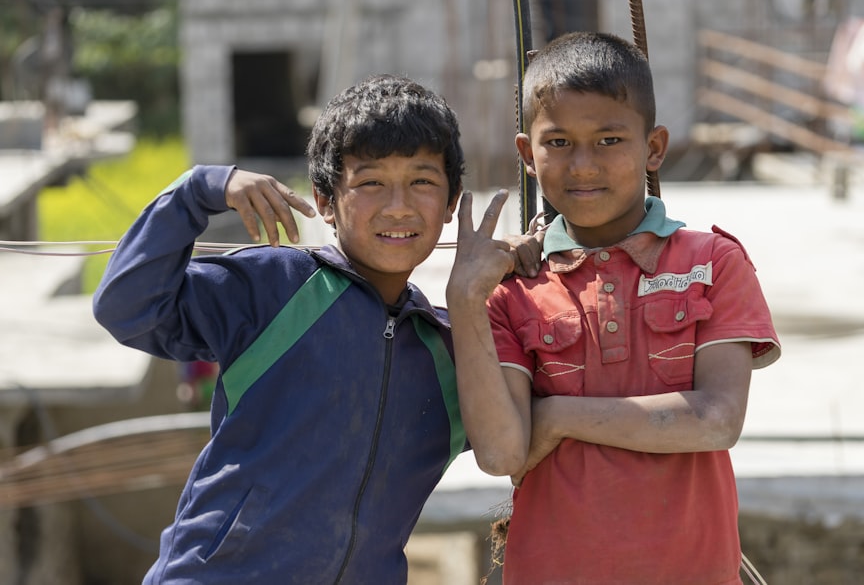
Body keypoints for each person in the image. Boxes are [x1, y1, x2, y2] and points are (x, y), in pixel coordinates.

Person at [92, 73, 538, 584]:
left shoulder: (454, 352)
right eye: (370, 182)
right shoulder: (274, 288)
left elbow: (517, 432)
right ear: (325, 202)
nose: (398, 205)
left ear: (453, 200)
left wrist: (521, 288)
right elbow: (127, 308)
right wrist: (199, 190)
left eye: (422, 181)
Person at [447, 32, 782, 585]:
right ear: (527, 155)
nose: (582, 165)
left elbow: (717, 421)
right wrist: (464, 299)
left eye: (608, 140)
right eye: (558, 143)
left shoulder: (711, 262)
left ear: (653, 148)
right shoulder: (514, 289)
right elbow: (503, 454)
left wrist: (554, 416)